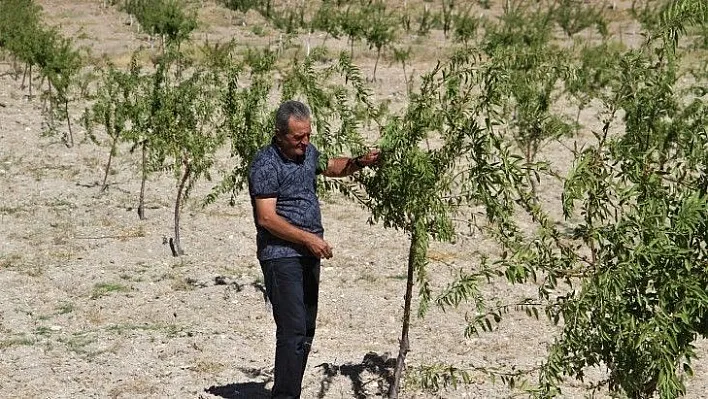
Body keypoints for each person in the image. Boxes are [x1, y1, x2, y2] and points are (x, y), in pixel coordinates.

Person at [248, 100, 379, 399]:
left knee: (306, 329)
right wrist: (307, 238)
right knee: (292, 330)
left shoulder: (307, 153)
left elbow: (330, 166)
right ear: (279, 134)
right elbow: (266, 217)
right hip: (280, 255)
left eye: (308, 135)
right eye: (298, 137)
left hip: (309, 253)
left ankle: (288, 390)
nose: (305, 142)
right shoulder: (265, 165)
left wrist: (359, 162)